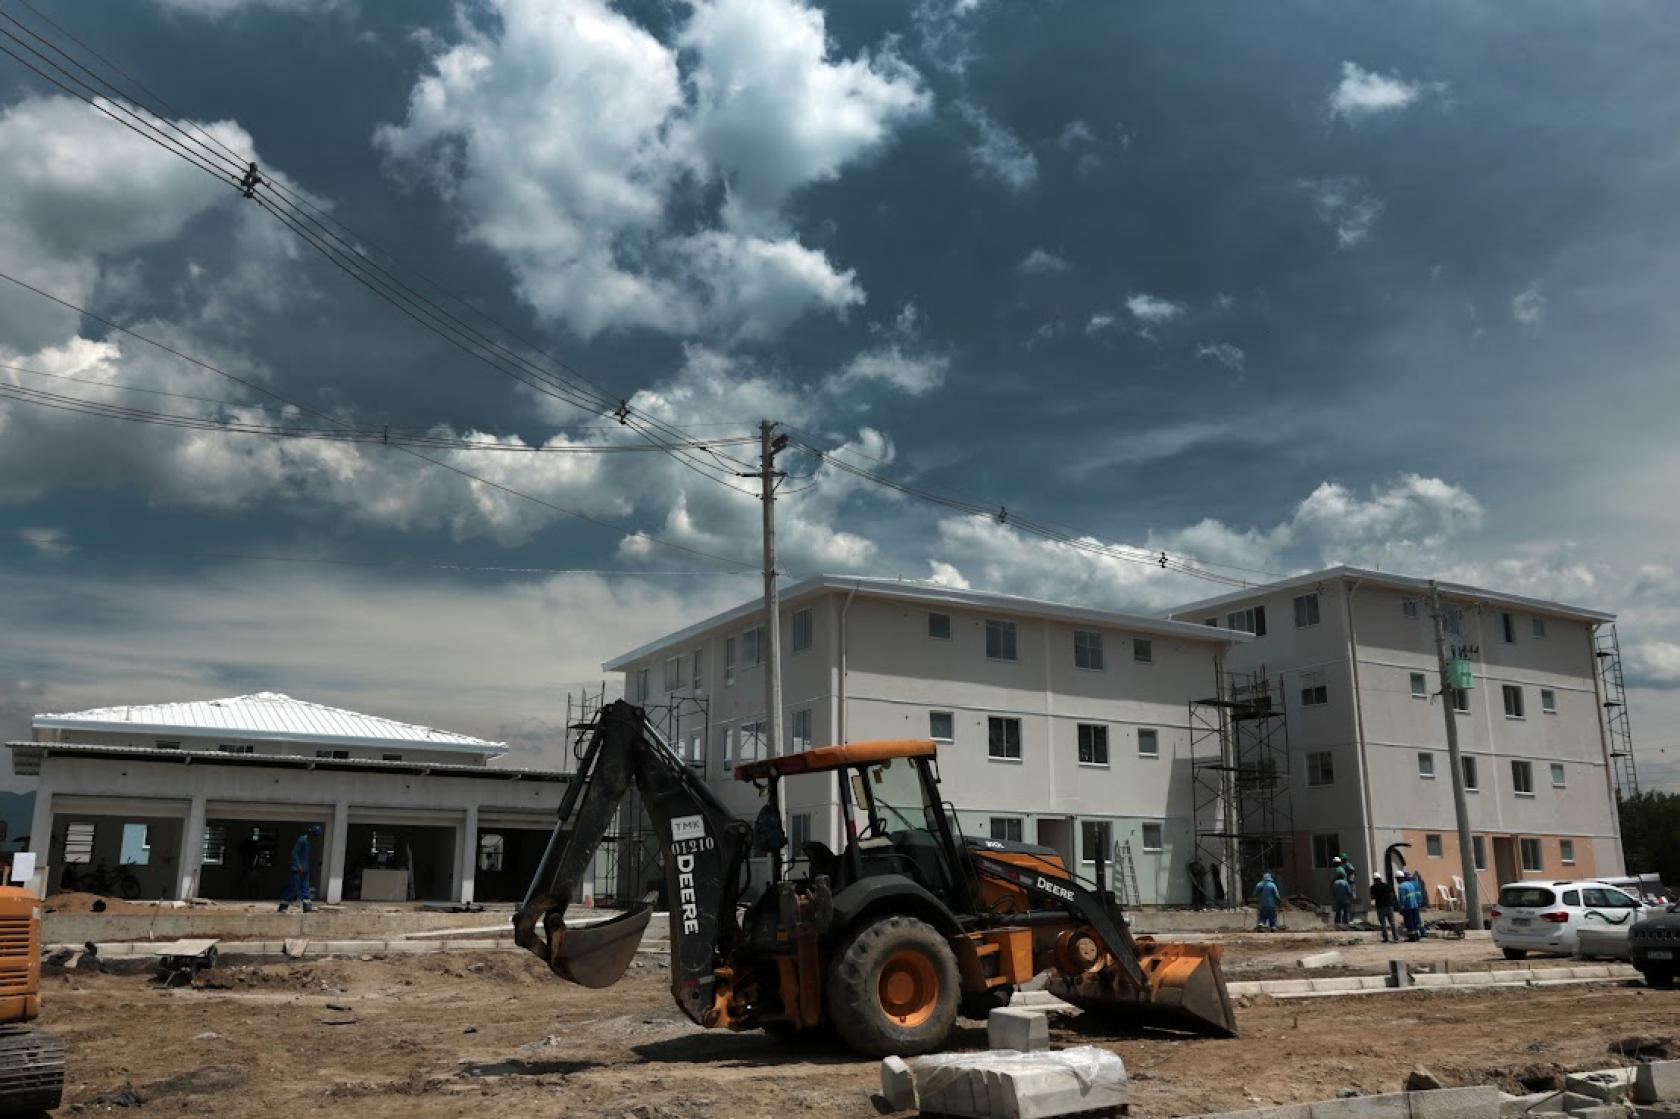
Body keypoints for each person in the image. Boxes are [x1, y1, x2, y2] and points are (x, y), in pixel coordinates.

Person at [279, 824, 321, 914]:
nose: (315, 837)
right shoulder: (302, 840)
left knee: (305, 887)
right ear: (310, 833)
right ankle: (283, 907)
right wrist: (298, 865)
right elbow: (294, 853)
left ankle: (307, 907)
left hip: (305, 870)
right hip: (297, 870)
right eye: (314, 835)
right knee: (293, 888)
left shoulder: (310, 842)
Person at [1397, 871, 1425, 941]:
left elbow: (1402, 898)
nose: (1397, 880)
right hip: (1415, 905)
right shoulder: (1410, 884)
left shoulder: (1401, 886)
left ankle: (1412, 937)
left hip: (1407, 907)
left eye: (1397, 879)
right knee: (1415, 921)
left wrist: (1401, 907)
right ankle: (1416, 936)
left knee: (1409, 922)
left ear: (1400, 878)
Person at [1370, 874, 1398, 942]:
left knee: (1383, 923)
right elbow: (1392, 895)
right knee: (1392, 922)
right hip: (1389, 906)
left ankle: (1386, 938)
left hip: (1380, 907)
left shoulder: (1373, 887)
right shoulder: (1387, 885)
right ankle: (1395, 937)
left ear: (1374, 880)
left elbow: (1372, 897)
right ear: (1380, 878)